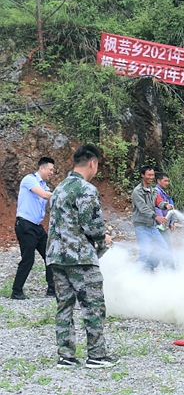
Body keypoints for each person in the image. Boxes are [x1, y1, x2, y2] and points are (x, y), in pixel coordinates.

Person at [46, 144, 117, 369]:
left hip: (57, 258)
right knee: (93, 306)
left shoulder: (58, 189)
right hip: (80, 259)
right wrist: (103, 238)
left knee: (64, 307)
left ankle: (66, 357)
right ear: (92, 163)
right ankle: (96, 355)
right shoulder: (85, 189)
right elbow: (92, 225)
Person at [11, 157, 56, 299]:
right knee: (28, 259)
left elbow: (49, 197)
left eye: (53, 171)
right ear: (41, 168)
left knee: (50, 254)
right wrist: (63, 195)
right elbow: (43, 195)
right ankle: (16, 291)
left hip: (37, 227)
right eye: (50, 170)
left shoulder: (46, 187)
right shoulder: (29, 180)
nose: (52, 173)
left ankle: (52, 288)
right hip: (25, 224)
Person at [132, 166, 173, 271]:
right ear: (142, 175)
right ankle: (134, 274)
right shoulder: (137, 191)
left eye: (153, 175)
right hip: (141, 226)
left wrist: (165, 205)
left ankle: (148, 269)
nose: (151, 177)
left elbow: (158, 201)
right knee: (144, 253)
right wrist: (156, 217)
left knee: (162, 248)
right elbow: (143, 208)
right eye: (149, 175)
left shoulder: (153, 190)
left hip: (152, 226)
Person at [155, 172, 176, 269]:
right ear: (158, 181)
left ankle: (146, 269)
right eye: (165, 181)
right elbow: (157, 208)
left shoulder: (163, 193)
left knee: (159, 248)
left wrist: (171, 222)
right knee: (166, 247)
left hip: (161, 224)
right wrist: (162, 221)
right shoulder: (156, 192)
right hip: (158, 225)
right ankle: (170, 271)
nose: (167, 183)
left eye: (168, 181)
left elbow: (170, 209)